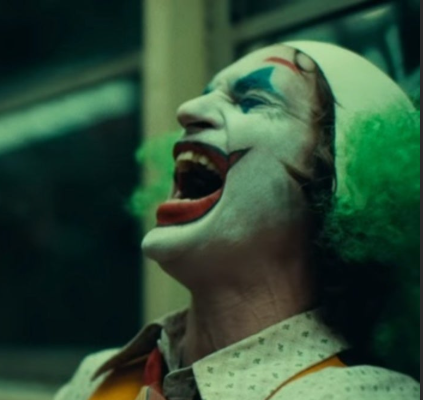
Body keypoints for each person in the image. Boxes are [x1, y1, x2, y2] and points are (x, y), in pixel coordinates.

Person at [55, 41, 420, 400]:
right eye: (207, 94)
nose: (187, 109)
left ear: (338, 174)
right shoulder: (97, 380)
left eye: (253, 100)